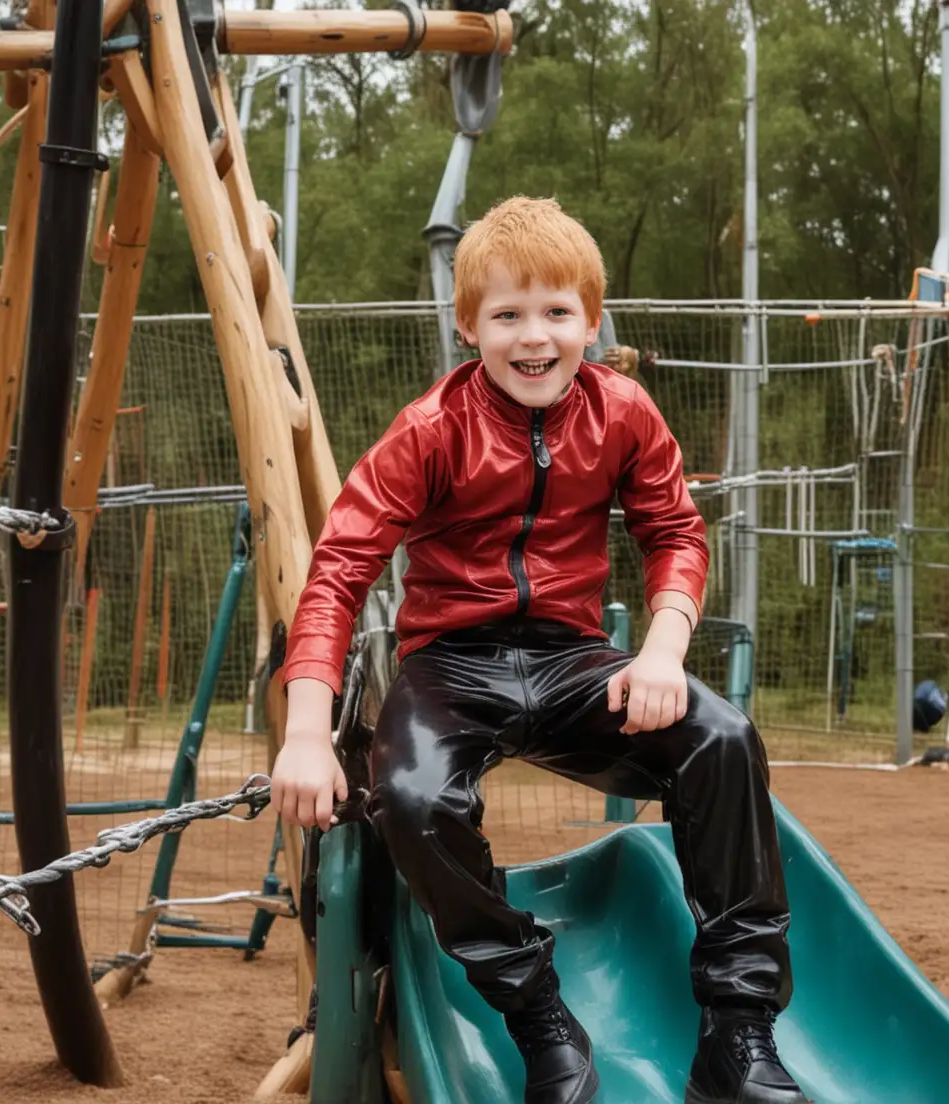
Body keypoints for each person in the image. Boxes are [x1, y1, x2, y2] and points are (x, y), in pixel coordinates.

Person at [270, 197, 806, 1104]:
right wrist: (308, 731)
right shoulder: (430, 431)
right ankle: (539, 1017)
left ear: (591, 321)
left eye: (557, 313)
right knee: (410, 795)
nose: (535, 337)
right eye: (508, 315)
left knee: (721, 738)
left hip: (572, 660)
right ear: (467, 324)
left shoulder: (623, 412)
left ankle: (738, 1034)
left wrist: (664, 650)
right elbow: (339, 570)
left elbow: (675, 531)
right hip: (453, 665)